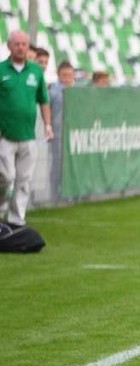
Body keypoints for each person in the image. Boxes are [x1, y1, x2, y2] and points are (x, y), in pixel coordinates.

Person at [0, 30, 53, 226]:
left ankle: (16, 219)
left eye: (24, 44)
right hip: (4, 135)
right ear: (9, 46)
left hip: (28, 135)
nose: (21, 47)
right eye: (17, 44)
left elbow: (44, 101)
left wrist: (47, 124)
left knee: (24, 180)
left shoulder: (36, 72)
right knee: (6, 178)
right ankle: (1, 208)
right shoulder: (1, 70)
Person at [48, 60, 75, 197]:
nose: (67, 78)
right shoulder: (53, 91)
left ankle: (71, 193)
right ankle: (54, 194)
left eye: (70, 75)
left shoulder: (77, 91)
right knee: (58, 165)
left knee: (73, 164)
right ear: (59, 75)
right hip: (58, 133)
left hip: (74, 134)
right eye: (64, 75)